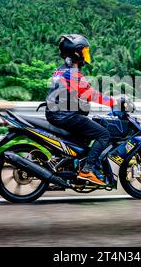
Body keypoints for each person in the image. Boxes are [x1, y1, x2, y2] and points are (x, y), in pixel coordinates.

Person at [45, 34, 117, 186]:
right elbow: (90, 93)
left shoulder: (61, 70)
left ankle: (72, 163)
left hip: (57, 112)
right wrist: (114, 102)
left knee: (92, 127)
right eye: (83, 51)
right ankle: (87, 170)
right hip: (64, 115)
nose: (86, 54)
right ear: (75, 52)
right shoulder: (73, 73)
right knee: (103, 134)